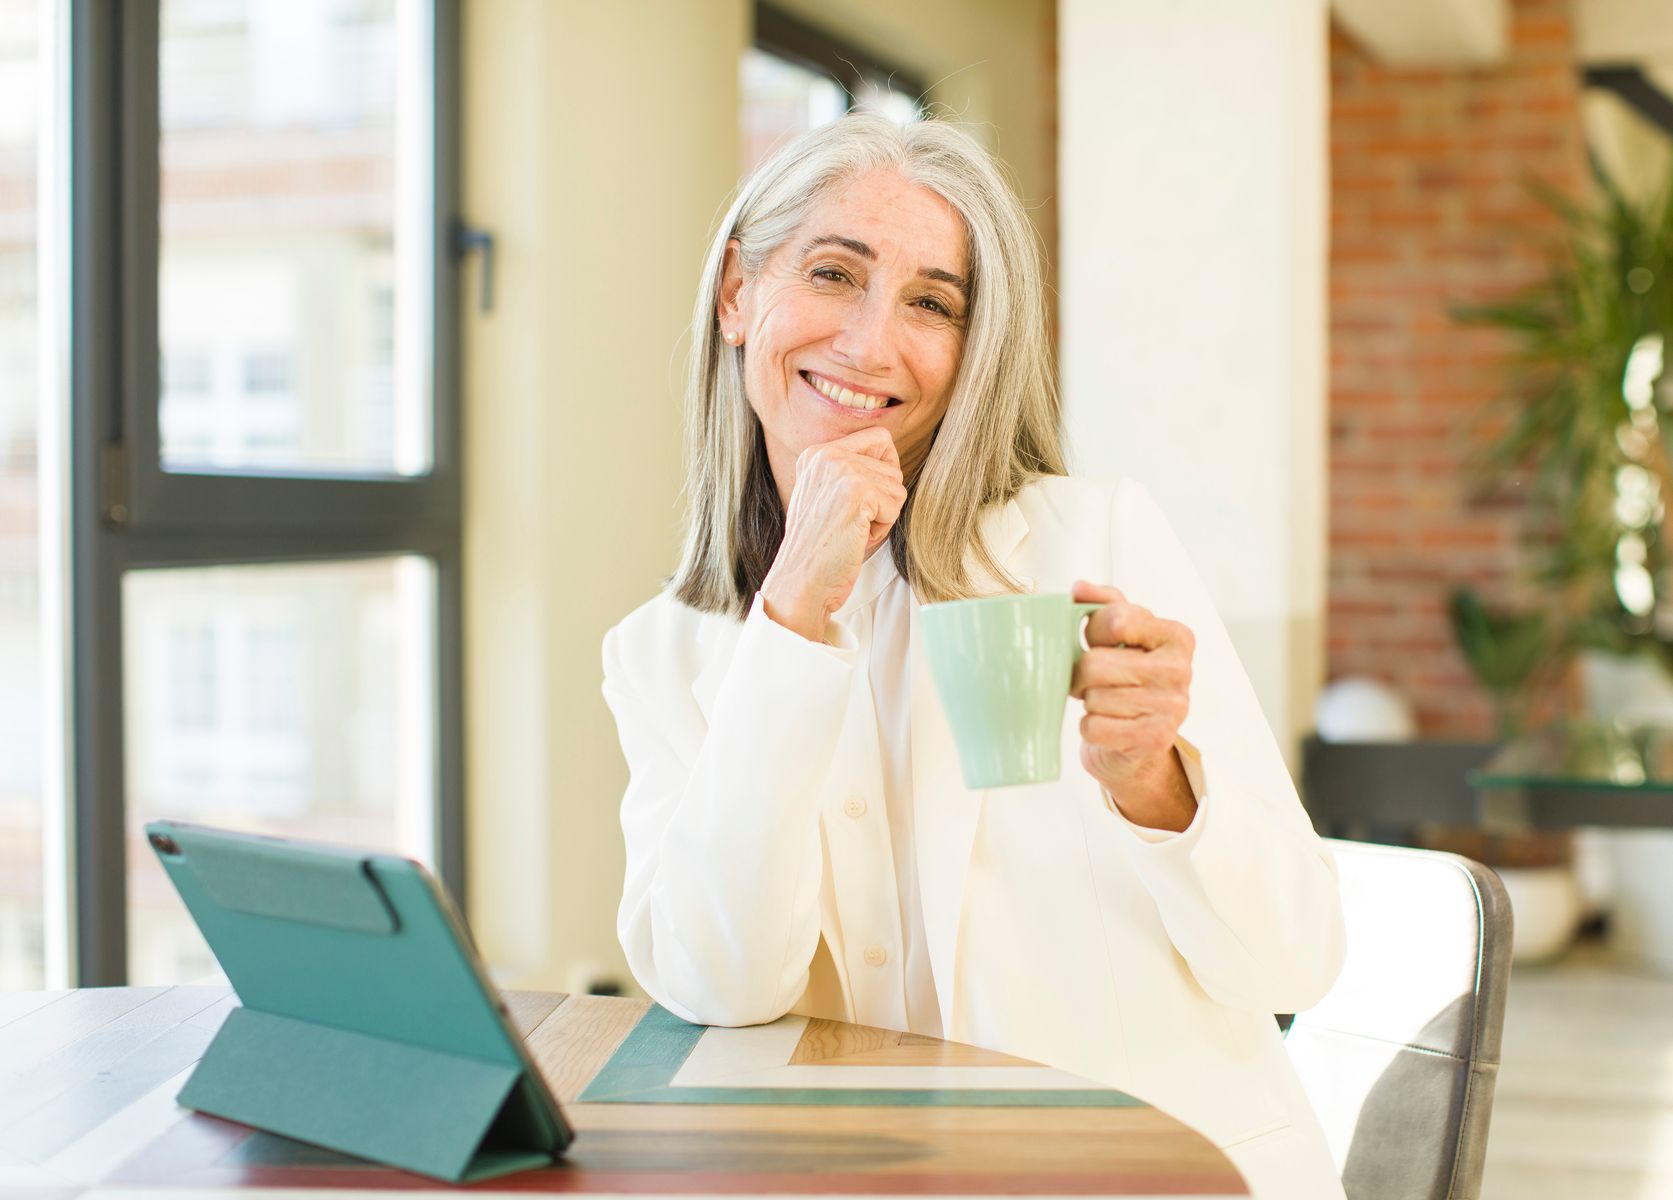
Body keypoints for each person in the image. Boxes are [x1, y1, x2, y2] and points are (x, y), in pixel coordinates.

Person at [601, 113, 1347, 1200]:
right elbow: (725, 982)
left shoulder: (1088, 544)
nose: (870, 344)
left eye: (929, 304)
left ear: (968, 351)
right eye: (831, 273)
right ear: (735, 296)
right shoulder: (664, 654)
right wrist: (793, 614)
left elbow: (1297, 959)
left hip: (1157, 1177)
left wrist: (1154, 784)